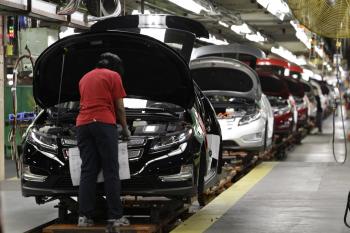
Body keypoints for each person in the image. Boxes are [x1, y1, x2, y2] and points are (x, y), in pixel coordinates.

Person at [76, 52, 131, 229]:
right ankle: (115, 217)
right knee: (111, 170)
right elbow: (120, 108)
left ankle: (84, 217)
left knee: (88, 170)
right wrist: (125, 129)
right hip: (103, 123)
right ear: (116, 67)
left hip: (83, 125)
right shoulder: (113, 76)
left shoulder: (84, 77)